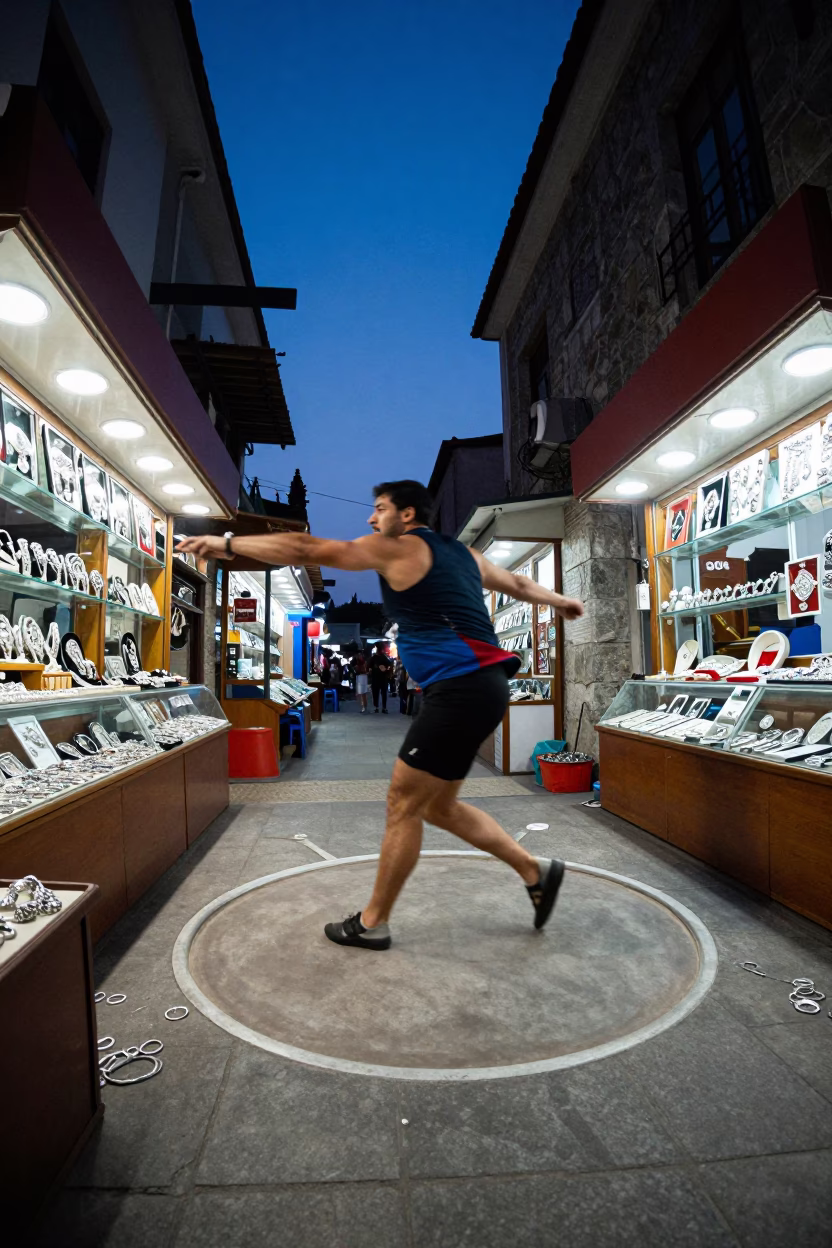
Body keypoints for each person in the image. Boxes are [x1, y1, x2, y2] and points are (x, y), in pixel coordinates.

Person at [176, 479, 584, 951]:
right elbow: (518, 582)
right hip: (479, 687)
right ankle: (535, 872)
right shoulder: (463, 556)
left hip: (460, 687)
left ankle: (373, 922)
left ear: (406, 516)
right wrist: (560, 602)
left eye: (380, 509)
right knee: (438, 806)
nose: (372, 519)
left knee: (402, 804)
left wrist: (226, 543)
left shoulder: (398, 548)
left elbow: (306, 547)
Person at [369, 643, 392, 714]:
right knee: (375, 693)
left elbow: (390, 665)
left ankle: (384, 708)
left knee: (384, 693)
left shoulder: (384, 657)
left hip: (383, 678)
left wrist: (385, 669)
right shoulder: (373, 658)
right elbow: (369, 667)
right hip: (375, 678)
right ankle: (376, 707)